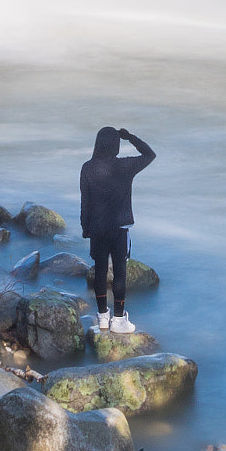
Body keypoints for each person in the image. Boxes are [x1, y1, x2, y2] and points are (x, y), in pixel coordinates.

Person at [80, 125, 156, 334]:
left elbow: (84, 202)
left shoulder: (87, 168)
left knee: (100, 270)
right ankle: (119, 319)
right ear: (116, 145)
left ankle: (103, 317)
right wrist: (130, 137)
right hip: (120, 228)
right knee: (120, 272)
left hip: (96, 228)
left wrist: (86, 228)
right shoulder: (125, 166)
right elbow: (150, 154)